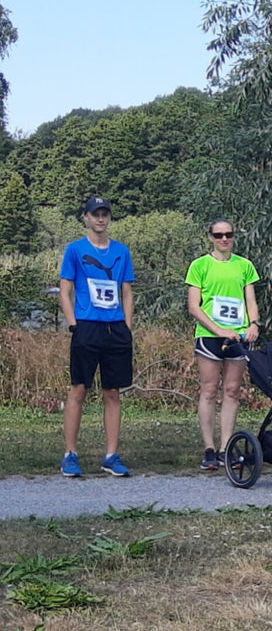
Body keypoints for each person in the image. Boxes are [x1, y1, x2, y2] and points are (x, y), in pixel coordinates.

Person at [59, 196, 136, 477]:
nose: (101, 219)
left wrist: (126, 326)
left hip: (115, 328)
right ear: (87, 218)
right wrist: (73, 324)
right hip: (87, 326)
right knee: (79, 388)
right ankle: (70, 454)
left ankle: (111, 455)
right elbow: (65, 290)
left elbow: (126, 291)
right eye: (96, 214)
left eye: (105, 214)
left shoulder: (122, 251)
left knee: (113, 392)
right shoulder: (75, 250)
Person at [186, 218, 260, 471]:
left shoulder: (245, 265)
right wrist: (218, 330)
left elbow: (250, 299)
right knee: (209, 390)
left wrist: (254, 324)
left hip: (238, 337)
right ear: (211, 238)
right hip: (210, 336)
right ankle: (208, 448)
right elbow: (194, 306)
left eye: (228, 234)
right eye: (218, 235)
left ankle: (226, 447)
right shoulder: (200, 266)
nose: (224, 239)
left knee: (232, 391)